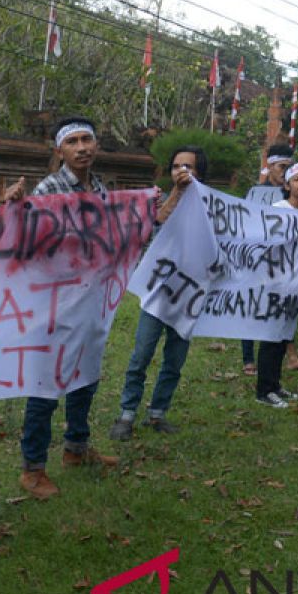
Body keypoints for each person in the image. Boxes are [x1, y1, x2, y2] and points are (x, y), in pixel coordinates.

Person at [14, 117, 119, 500]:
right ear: (60, 151)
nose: (82, 147)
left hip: (90, 300)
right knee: (46, 384)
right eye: (72, 141)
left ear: (96, 144)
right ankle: (33, 468)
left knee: (86, 374)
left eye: (87, 139)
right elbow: (28, 241)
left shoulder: (102, 189)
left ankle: (76, 447)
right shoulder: (50, 189)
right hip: (54, 304)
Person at [109, 146, 207, 440]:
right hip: (159, 293)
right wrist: (177, 193)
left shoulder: (212, 205)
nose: (181, 171)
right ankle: (127, 413)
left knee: (174, 360)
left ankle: (158, 413)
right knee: (141, 354)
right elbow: (158, 224)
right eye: (176, 166)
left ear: (200, 171)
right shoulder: (160, 199)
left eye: (188, 166)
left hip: (190, 294)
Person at [252, 163, 298, 407]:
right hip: (273, 282)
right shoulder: (277, 210)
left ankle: (275, 384)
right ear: (287, 185)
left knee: (284, 334)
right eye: (297, 179)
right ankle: (263, 390)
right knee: (271, 335)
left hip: (295, 284)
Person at [242, 143, 295, 375]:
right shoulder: (255, 193)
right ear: (271, 166)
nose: (285, 171)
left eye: (289, 167)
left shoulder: (292, 196)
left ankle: (278, 352)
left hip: (281, 262)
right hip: (257, 258)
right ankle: (248, 358)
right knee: (252, 305)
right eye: (282, 166)